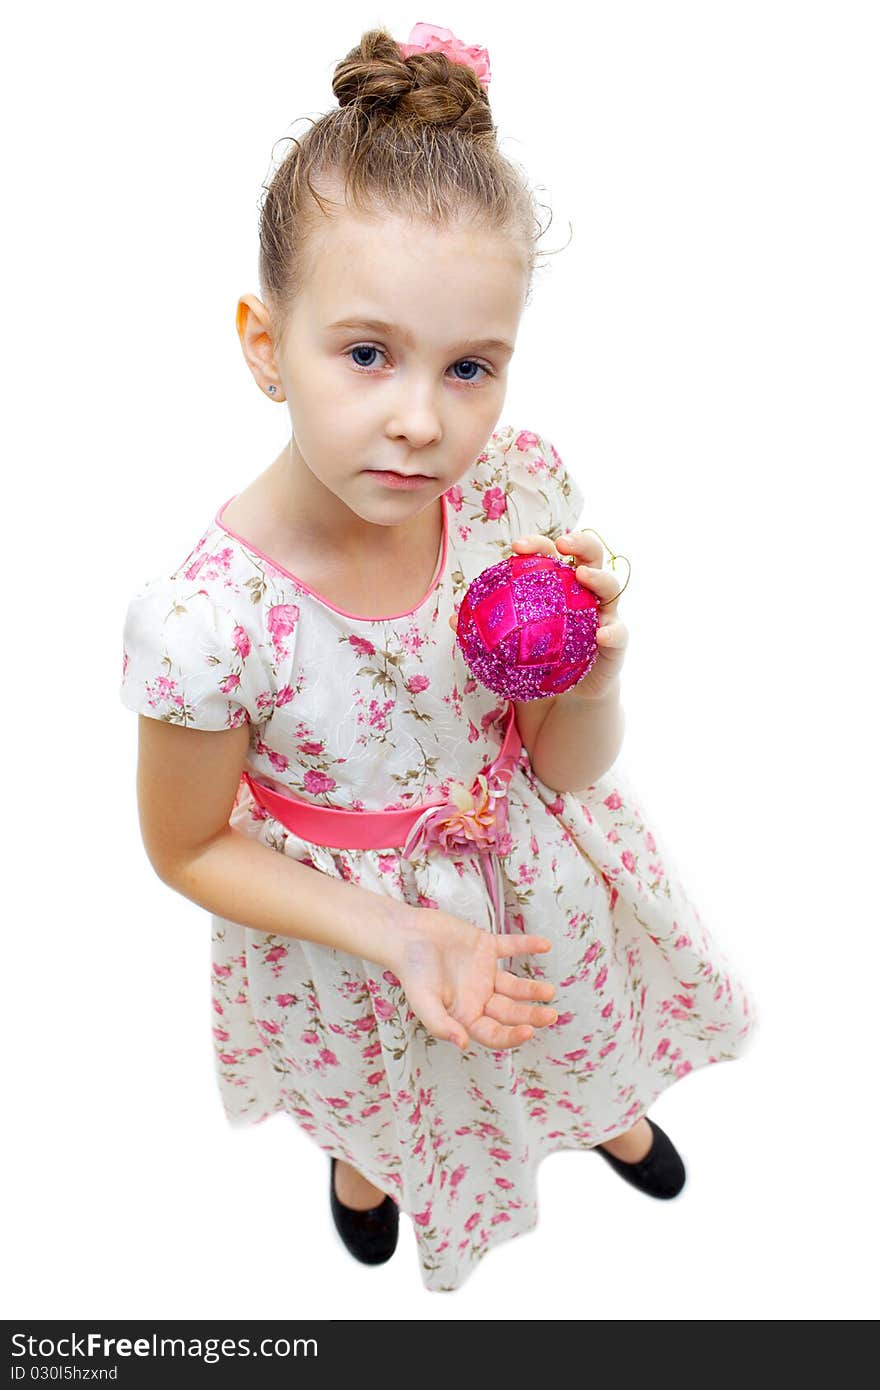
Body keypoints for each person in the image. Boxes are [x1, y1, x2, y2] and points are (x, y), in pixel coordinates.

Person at [119, 21, 757, 1294]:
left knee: (560, 1019)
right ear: (263, 344)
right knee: (386, 1083)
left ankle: (597, 1106)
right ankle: (368, 1165)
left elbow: (567, 773)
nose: (421, 419)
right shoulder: (207, 623)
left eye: (470, 366)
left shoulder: (512, 500)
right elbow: (187, 843)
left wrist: (594, 681)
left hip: (536, 891)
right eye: (366, 354)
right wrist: (395, 934)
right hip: (351, 938)